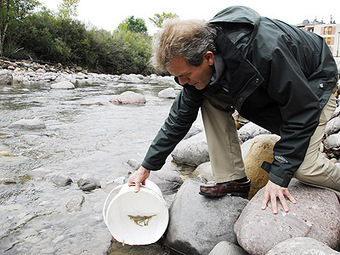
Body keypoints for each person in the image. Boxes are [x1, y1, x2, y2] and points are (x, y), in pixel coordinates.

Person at [128, 6, 340, 214]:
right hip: (277, 87)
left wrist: (278, 177)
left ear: (208, 58)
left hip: (314, 82)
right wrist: (146, 167)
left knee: (303, 168)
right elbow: (178, 119)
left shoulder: (266, 51)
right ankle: (233, 179)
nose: (182, 82)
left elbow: (301, 110)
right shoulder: (196, 66)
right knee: (208, 97)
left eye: (185, 75)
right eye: (176, 77)